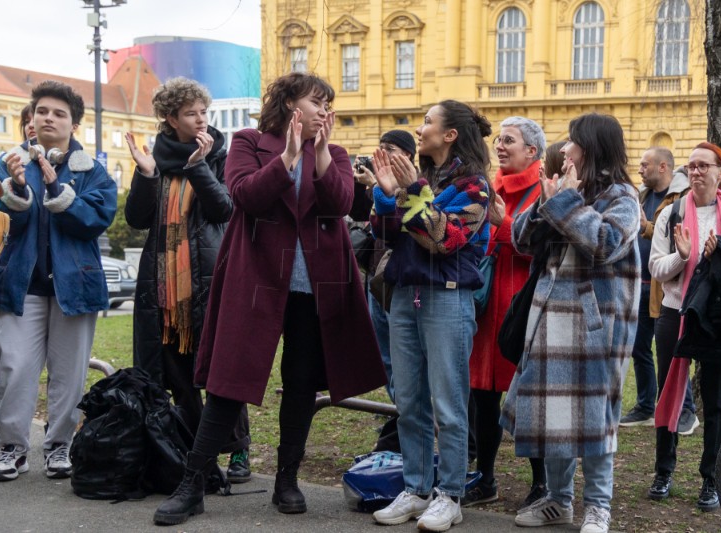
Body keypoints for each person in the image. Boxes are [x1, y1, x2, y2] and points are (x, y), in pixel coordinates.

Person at [152, 72, 385, 526]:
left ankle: (286, 480)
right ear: (289, 103)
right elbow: (244, 196)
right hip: (255, 279)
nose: (324, 110)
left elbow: (339, 204)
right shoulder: (248, 142)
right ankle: (193, 483)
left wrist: (316, 155)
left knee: (301, 384)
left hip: (316, 285)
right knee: (228, 383)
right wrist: (288, 157)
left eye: (326, 104)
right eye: (316, 101)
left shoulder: (333, 153)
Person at [503, 113, 640, 533]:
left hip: (596, 328)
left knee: (597, 417)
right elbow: (521, 241)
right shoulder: (565, 187)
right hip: (549, 322)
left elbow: (605, 242)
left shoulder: (624, 197)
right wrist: (547, 201)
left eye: (573, 142)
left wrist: (565, 202)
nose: (565, 149)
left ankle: (599, 505)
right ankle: (559, 501)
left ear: (593, 147)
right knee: (553, 415)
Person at [370, 100, 492, 532]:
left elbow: (444, 238)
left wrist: (411, 191)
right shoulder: (418, 178)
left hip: (447, 298)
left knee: (449, 404)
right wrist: (386, 196)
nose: (418, 129)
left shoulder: (475, 186)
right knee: (409, 401)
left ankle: (450, 495)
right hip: (404, 295)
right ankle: (417, 488)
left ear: (451, 134)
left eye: (426, 121)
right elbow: (385, 236)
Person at [0, 80, 117, 481]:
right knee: (15, 367)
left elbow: (93, 221)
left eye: (59, 113)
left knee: (70, 372)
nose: (49, 118)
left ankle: (60, 446)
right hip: (20, 286)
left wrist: (56, 189)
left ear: (73, 125)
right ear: (31, 119)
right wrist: (21, 188)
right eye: (42, 111)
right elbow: (4, 223)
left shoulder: (92, 171)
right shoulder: (5, 164)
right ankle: (12, 447)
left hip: (74, 288)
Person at [124, 77, 251, 483]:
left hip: (208, 277)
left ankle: (238, 451)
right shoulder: (154, 159)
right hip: (164, 285)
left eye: (204, 111)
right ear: (170, 118)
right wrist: (145, 177)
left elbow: (223, 211)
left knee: (218, 369)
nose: (201, 120)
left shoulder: (219, 154)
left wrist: (198, 167)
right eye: (191, 113)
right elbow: (137, 220)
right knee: (179, 375)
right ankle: (201, 454)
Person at [649, 142, 721, 511]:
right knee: (669, 394)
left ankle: (711, 478)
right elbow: (656, 269)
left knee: (716, 402)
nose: (695, 172)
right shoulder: (672, 214)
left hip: (716, 321)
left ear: (720, 172)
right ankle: (663, 470)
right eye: (691, 166)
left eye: (703, 166)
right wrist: (682, 255)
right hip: (675, 313)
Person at [463, 117, 546, 508]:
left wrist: (503, 225)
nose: (499, 145)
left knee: (529, 398)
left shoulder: (544, 190)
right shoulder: (490, 186)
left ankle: (541, 483)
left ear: (531, 151)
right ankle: (487, 478)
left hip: (522, 305)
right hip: (486, 302)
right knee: (481, 396)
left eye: (508, 140)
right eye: (498, 139)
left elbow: (544, 246)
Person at [620, 149, 699, 436]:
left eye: (645, 164)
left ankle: (685, 409)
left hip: (663, 288)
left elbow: (682, 239)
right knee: (638, 348)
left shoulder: (680, 199)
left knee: (672, 351)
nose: (639, 169)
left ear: (662, 166)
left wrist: (645, 227)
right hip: (636, 284)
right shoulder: (641, 196)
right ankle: (644, 406)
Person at [349, 129, 417, 454]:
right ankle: (403, 420)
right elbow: (361, 218)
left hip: (400, 286)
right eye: (380, 148)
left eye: (390, 150)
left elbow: (401, 228)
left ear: (407, 155)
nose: (382, 155)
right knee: (386, 361)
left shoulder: (414, 186)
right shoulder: (376, 186)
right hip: (375, 282)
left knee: (403, 364)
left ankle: (407, 426)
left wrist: (385, 189)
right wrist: (365, 187)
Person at [0, 104, 37, 455]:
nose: (34, 127)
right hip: (13, 268)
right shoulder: (6, 162)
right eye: (28, 122)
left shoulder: (74, 164)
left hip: (49, 273)